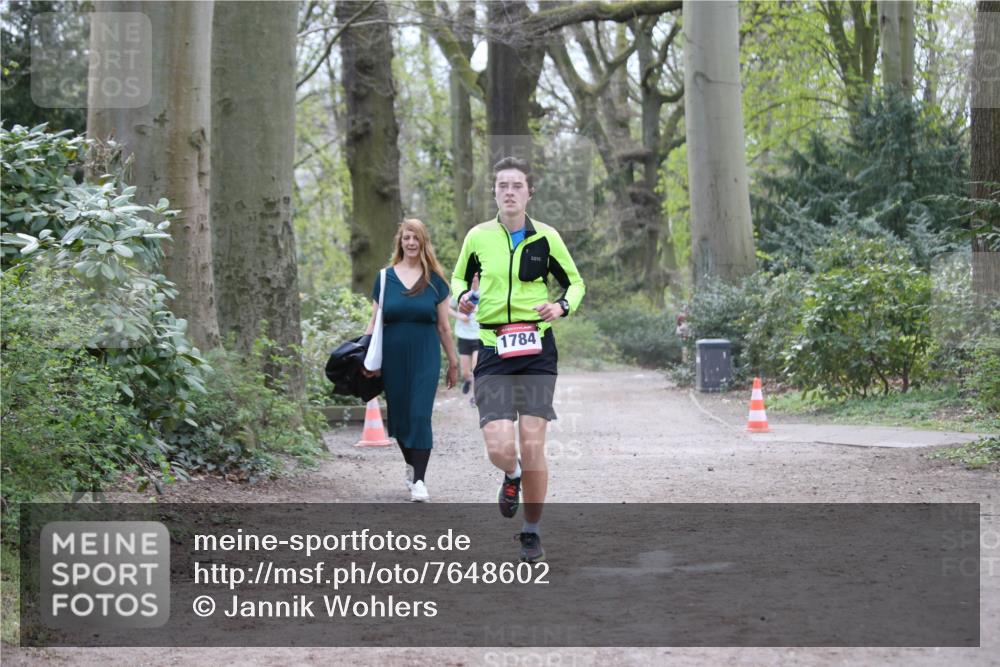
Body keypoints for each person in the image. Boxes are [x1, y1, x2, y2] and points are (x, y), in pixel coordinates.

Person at [451, 157, 585, 562]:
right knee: (499, 447)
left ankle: (531, 532)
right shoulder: (478, 237)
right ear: (494, 192)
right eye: (502, 185)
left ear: (529, 193)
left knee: (532, 443)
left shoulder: (547, 237)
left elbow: (575, 283)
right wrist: (462, 297)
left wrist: (561, 306)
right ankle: (511, 476)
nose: (509, 191)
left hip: (537, 350)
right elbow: (459, 278)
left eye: (517, 185)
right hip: (493, 349)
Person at [364, 218, 458, 502]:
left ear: (424, 242)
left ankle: (419, 480)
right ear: (400, 241)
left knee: (419, 415)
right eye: (407, 237)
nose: (411, 243)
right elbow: (373, 322)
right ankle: (410, 463)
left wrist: (453, 362)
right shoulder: (384, 278)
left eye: (416, 238)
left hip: (425, 355)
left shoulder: (436, 281)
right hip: (392, 356)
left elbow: (443, 326)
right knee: (401, 419)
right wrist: (364, 355)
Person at [449, 273, 480, 406]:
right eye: (472, 275)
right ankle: (467, 380)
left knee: (476, 367)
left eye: (476, 276)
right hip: (463, 336)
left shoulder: (485, 292)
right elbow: (447, 307)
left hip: (479, 336)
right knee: (465, 372)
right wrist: (459, 316)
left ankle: (475, 397)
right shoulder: (462, 293)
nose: (474, 278)